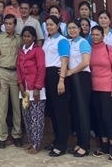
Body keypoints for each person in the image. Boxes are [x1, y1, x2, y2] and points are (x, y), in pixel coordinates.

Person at [89, 26, 112, 161]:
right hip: (94, 88)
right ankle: (104, 145)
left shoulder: (109, 49)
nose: (95, 37)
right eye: (93, 34)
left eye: (97, 34)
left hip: (107, 88)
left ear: (102, 36)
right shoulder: (89, 49)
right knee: (99, 118)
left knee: (107, 118)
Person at [0, 14, 22, 148]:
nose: (9, 26)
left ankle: (17, 135)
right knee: (1, 107)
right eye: (7, 23)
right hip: (2, 72)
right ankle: (1, 137)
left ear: (15, 25)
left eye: (11, 23)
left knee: (17, 107)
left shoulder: (20, 39)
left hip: (16, 74)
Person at [43, 14, 70, 157]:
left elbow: (64, 61)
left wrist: (61, 80)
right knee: (53, 111)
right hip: (47, 76)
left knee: (61, 112)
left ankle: (62, 144)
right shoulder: (48, 40)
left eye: (51, 25)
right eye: (47, 25)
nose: (49, 27)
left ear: (58, 26)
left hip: (57, 76)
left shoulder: (62, 40)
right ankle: (56, 139)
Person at [16, 26, 46, 154]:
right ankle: (31, 140)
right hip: (25, 90)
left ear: (33, 37)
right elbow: (18, 68)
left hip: (36, 89)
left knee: (36, 117)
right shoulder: (21, 51)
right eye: (24, 36)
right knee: (27, 116)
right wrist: (20, 85)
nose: (26, 38)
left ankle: (37, 143)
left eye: (29, 36)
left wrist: (38, 87)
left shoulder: (38, 50)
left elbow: (41, 68)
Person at [65, 20, 92, 157]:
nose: (72, 30)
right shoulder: (69, 42)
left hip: (81, 77)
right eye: (69, 28)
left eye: (74, 28)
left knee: (83, 112)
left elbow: (86, 62)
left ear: (80, 29)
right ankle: (79, 141)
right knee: (75, 111)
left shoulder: (83, 42)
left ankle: (85, 145)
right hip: (72, 79)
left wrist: (71, 71)